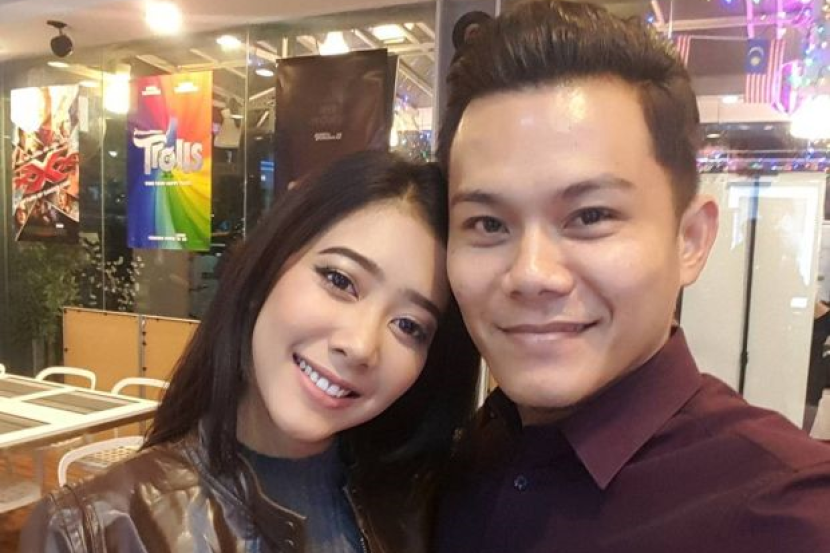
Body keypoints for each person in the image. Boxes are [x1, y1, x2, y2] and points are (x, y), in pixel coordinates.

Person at [434, 1, 830, 552]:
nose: (531, 274)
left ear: (690, 239)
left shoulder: (789, 515)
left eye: (590, 216)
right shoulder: (460, 457)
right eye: (488, 224)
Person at [21, 150, 480, 552]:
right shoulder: (94, 531)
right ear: (266, 271)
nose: (361, 345)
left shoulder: (430, 509)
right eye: (340, 280)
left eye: (409, 326)